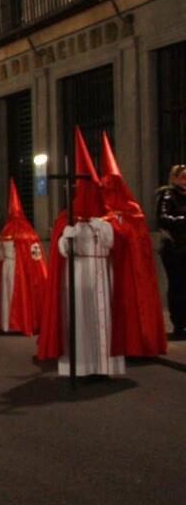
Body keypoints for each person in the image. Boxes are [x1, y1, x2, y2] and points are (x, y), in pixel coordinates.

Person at [37, 128, 123, 376]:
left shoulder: (106, 218)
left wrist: (100, 226)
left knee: (103, 320)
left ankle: (105, 367)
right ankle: (82, 367)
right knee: (80, 320)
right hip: (78, 273)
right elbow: (61, 251)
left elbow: (113, 243)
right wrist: (67, 236)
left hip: (102, 273)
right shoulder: (68, 218)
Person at [100, 132, 166, 357]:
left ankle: (136, 343)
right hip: (105, 269)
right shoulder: (100, 211)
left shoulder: (133, 211)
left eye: (112, 185)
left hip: (130, 269)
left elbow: (136, 238)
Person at [0, 179, 47, 335]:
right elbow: (37, 257)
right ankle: (21, 322)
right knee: (23, 297)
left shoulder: (5, 232)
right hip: (25, 271)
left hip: (8, 267)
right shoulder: (29, 232)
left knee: (7, 296)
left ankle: (7, 324)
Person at [156, 163, 186, 339]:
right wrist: (183, 220)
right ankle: (179, 324)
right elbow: (162, 218)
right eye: (182, 177)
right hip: (175, 248)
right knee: (177, 285)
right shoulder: (167, 194)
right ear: (174, 178)